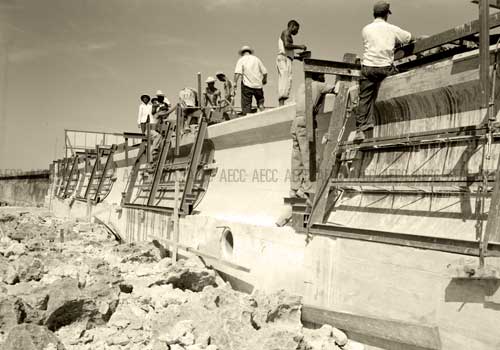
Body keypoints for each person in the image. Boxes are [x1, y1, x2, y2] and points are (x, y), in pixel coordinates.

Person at [354, 1, 413, 141]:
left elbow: (376, 42)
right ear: (387, 14)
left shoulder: (365, 29)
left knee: (364, 98)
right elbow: (409, 38)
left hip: (368, 68)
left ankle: (360, 130)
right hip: (384, 68)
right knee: (402, 73)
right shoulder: (391, 28)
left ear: (374, 14)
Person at [291, 72, 337, 200]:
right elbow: (337, 88)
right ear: (319, 77)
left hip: (296, 122)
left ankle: (294, 188)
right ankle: (306, 189)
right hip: (307, 121)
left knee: (297, 158)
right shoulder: (318, 85)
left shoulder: (301, 86)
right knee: (310, 157)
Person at [277, 20, 307, 106]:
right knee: (284, 79)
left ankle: (282, 103)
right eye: (297, 29)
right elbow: (287, 45)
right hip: (283, 59)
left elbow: (288, 51)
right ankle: (281, 103)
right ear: (292, 26)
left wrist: (298, 58)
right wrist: (299, 46)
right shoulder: (286, 32)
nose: (297, 32)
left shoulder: (288, 35)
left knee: (287, 80)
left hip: (287, 58)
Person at [234, 45, 268, 116]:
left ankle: (247, 119)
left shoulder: (241, 59)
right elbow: (265, 72)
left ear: (242, 53)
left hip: (247, 86)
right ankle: (263, 115)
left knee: (246, 106)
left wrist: (234, 83)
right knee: (260, 103)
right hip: (258, 86)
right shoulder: (256, 59)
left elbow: (237, 73)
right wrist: (264, 80)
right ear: (249, 52)